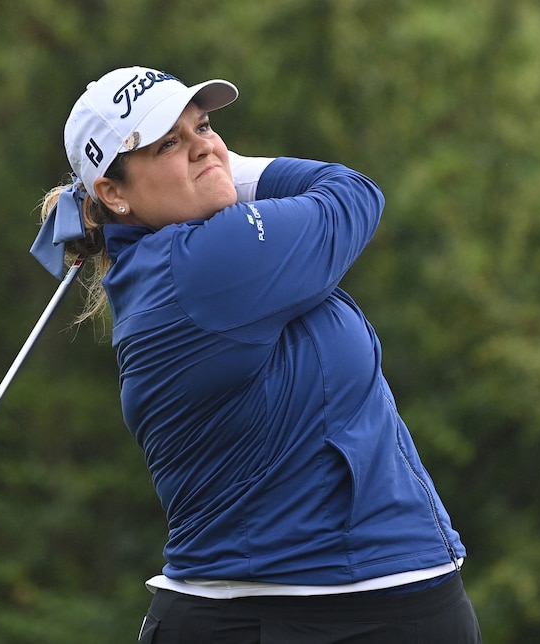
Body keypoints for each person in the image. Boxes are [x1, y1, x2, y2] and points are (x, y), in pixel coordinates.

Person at [30, 66, 482, 643]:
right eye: (170, 142)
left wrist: (205, 165)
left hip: (369, 599)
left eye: (205, 126)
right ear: (113, 194)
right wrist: (229, 169)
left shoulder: (166, 265)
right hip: (301, 614)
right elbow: (353, 194)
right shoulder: (201, 264)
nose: (202, 146)